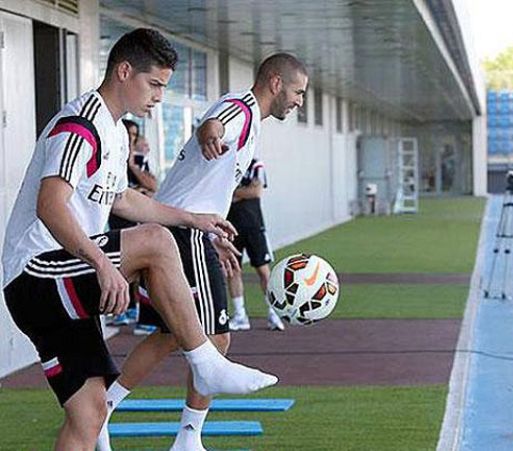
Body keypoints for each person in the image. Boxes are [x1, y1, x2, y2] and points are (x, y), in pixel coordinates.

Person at [0, 28, 276, 451]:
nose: (160, 97)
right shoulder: (81, 124)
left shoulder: (112, 132)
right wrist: (102, 262)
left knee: (90, 414)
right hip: (35, 273)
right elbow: (50, 205)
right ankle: (205, 361)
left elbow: (125, 199)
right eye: (155, 85)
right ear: (124, 71)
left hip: (55, 284)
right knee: (157, 241)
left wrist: (193, 219)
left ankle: (204, 360)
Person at [96, 53, 307, 451]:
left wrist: (215, 235)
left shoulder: (248, 120)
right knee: (217, 338)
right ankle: (188, 438)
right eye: (298, 92)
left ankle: (103, 409)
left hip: (183, 229)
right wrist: (209, 130)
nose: (299, 101)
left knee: (169, 336)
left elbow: (208, 181)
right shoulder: (241, 108)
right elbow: (213, 125)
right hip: (180, 233)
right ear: (276, 83)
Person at [109, 119, 159, 333]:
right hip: (113, 220)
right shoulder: (111, 157)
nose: (130, 139)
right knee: (117, 266)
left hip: (134, 219)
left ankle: (140, 313)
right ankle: (122, 309)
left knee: (139, 266)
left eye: (133, 135)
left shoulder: (137, 159)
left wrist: (132, 167)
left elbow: (152, 185)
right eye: (127, 134)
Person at [227, 156, 285, 331]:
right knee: (233, 270)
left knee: (263, 270)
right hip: (230, 226)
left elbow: (256, 191)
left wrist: (233, 192)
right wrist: (242, 191)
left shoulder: (255, 164)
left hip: (253, 225)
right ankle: (240, 315)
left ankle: (274, 314)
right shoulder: (225, 164)